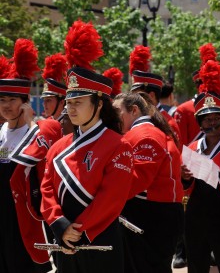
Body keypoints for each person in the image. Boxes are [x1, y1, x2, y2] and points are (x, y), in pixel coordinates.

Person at [40, 20, 133, 273]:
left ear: (99, 104)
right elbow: (47, 188)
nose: (71, 108)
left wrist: (78, 230)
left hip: (99, 240)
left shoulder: (118, 145)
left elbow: (111, 198)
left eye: (79, 102)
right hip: (64, 241)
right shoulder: (58, 147)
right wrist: (59, 225)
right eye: (69, 102)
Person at [181, 59, 220, 273]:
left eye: (216, 118)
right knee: (196, 264)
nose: (212, 124)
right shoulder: (191, 147)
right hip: (196, 215)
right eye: (207, 120)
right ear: (200, 123)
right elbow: (185, 188)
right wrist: (185, 178)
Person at [0, 39, 56, 273]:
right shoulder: (1, 132)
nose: (6, 106)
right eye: (2, 100)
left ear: (25, 103)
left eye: (13, 100)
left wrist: (28, 120)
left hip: (26, 220)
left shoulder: (37, 132)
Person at [112, 91, 183, 273]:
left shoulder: (145, 135)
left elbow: (138, 180)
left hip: (151, 214)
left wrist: (104, 197)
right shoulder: (147, 132)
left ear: (134, 110)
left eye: (117, 111)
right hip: (153, 212)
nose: (113, 117)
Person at [129, 45, 182, 149]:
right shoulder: (134, 117)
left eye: (137, 95)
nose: (132, 99)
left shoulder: (169, 122)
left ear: (151, 95)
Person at [41, 53, 67, 121]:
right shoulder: (47, 122)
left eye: (48, 100)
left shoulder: (69, 126)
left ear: (62, 102)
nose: (44, 104)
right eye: (44, 100)